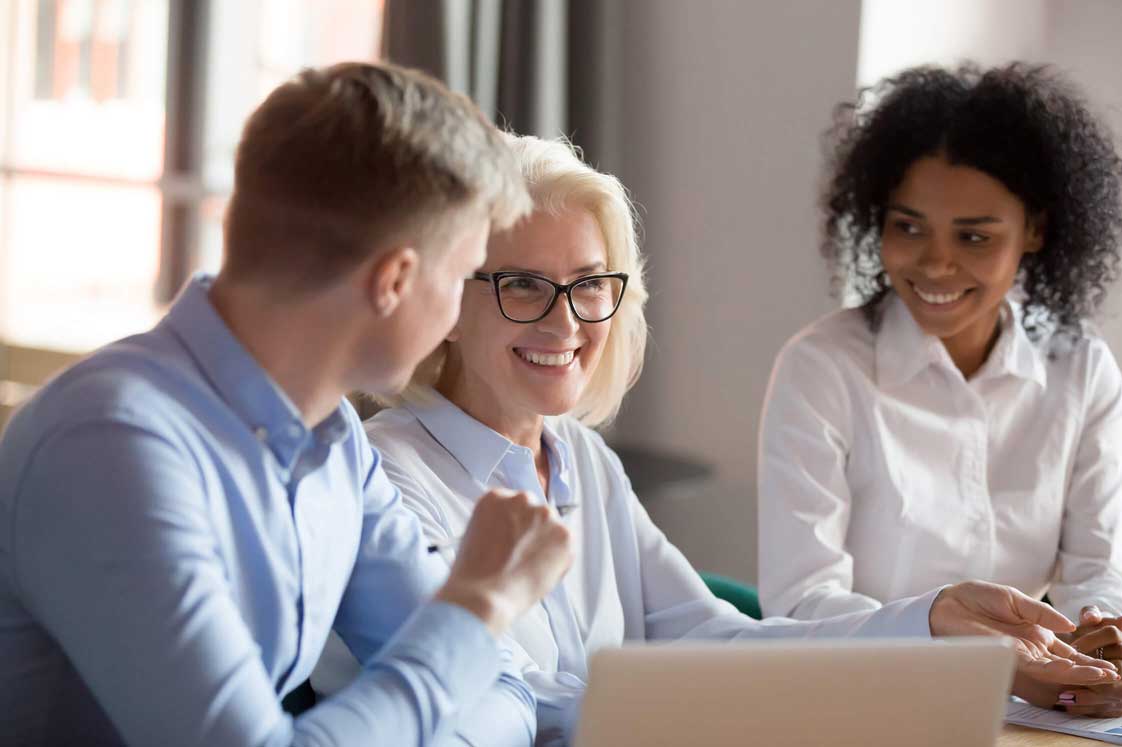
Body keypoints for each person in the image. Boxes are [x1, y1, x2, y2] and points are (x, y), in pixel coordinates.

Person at [311, 133, 1119, 744]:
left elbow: (713, 638)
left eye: (590, 284)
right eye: (524, 284)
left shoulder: (580, 458)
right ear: (447, 302)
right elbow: (490, 705)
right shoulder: (383, 479)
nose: (565, 320)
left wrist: (933, 620)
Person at [0, 62, 576, 746]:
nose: (457, 315)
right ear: (394, 279)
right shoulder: (110, 447)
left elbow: (505, 689)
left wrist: (460, 649)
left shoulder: (336, 439)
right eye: (459, 277)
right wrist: (478, 605)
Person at [757, 63, 1122, 713]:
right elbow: (802, 601)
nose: (934, 263)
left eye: (974, 236)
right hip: (859, 700)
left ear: (1035, 230)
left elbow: (1098, 569)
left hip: (1028, 707)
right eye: (908, 226)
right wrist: (981, 658)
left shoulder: (1082, 369)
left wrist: (1094, 640)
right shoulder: (822, 368)